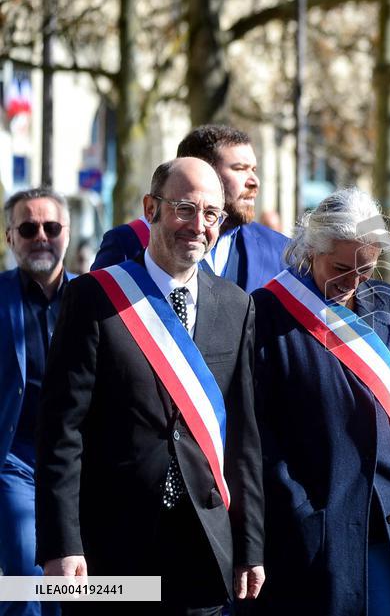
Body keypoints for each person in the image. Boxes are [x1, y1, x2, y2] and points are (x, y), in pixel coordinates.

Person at [35, 158, 265, 615]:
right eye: (184, 208)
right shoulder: (94, 298)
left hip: (202, 540)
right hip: (111, 545)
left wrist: (251, 543)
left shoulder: (236, 306)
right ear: (150, 208)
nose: (197, 226)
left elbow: (243, 437)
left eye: (211, 214)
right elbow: (62, 432)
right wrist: (62, 544)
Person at [251, 188, 390, 615]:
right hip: (325, 529)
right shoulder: (267, 312)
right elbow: (261, 432)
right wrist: (302, 512)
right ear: (311, 249)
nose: (353, 282)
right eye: (341, 267)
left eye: (366, 268)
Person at [91, 125, 289, 292]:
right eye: (239, 169)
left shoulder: (279, 250)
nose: (255, 182)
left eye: (253, 170)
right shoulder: (128, 242)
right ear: (200, 170)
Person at [0, 189, 71, 616]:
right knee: (26, 584)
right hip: (13, 460)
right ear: (11, 238)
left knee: (82, 586)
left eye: (51, 227)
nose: (41, 236)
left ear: (67, 232)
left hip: (77, 463)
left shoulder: (92, 298)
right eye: (28, 228)